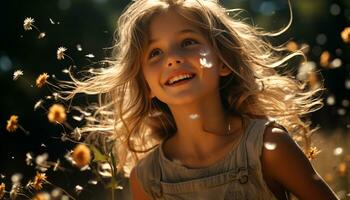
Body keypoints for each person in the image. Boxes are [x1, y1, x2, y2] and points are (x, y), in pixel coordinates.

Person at [63, 0, 339, 199]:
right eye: (155, 53)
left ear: (223, 62)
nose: (172, 58)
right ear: (146, 85)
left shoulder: (267, 145)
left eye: (188, 42)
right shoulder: (148, 178)